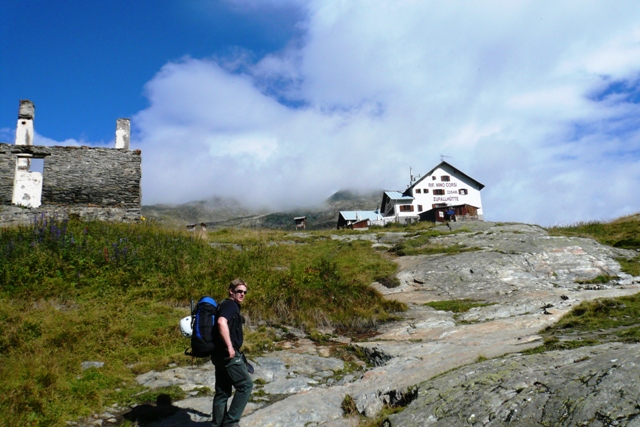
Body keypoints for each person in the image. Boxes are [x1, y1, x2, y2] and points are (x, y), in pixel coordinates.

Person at [211, 279, 253, 427]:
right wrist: (230, 347)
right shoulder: (231, 305)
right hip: (227, 354)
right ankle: (230, 422)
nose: (242, 294)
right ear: (231, 291)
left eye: (244, 292)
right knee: (246, 385)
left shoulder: (223, 304)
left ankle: (217, 424)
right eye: (239, 291)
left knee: (222, 392)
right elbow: (221, 322)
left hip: (217, 355)